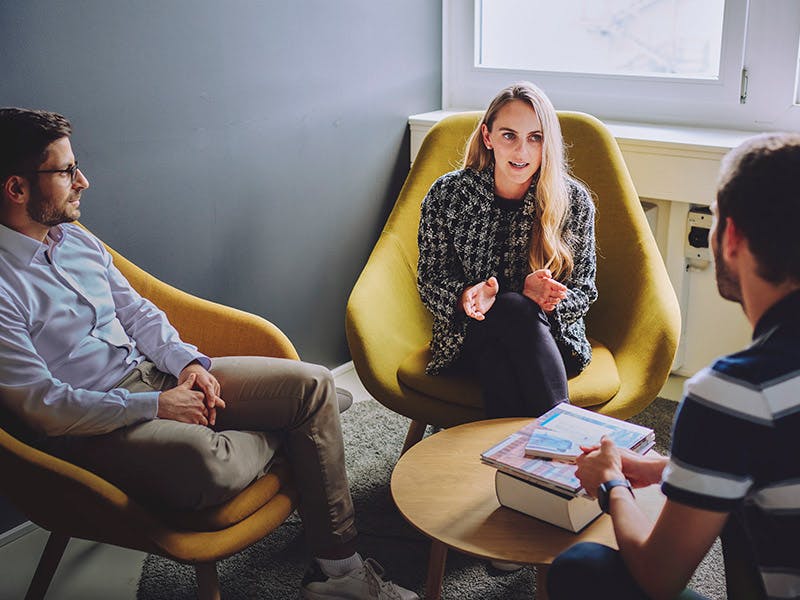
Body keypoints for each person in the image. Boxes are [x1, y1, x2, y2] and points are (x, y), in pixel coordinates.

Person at [0, 108, 417, 600]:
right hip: (96, 427)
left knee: (314, 384)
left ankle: (341, 573)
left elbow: (137, 313)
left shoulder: (76, 240)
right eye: (67, 171)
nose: (83, 181)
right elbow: (44, 407)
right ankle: (306, 428)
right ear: (17, 189)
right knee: (211, 467)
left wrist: (187, 364)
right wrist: (156, 406)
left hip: (155, 375)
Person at [547, 132, 800, 600]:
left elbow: (660, 578)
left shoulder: (735, 392)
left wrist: (612, 484)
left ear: (731, 238)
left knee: (581, 567)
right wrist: (665, 468)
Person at [417, 81, 597, 418]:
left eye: (535, 138)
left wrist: (544, 302)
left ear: (548, 144)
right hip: (467, 337)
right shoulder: (448, 195)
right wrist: (466, 296)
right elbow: (431, 279)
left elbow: (585, 289)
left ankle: (501, 460)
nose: (521, 152)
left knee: (509, 327)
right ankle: (560, 435)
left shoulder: (573, 201)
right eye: (509, 135)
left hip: (550, 340)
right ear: (488, 137)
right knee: (506, 317)